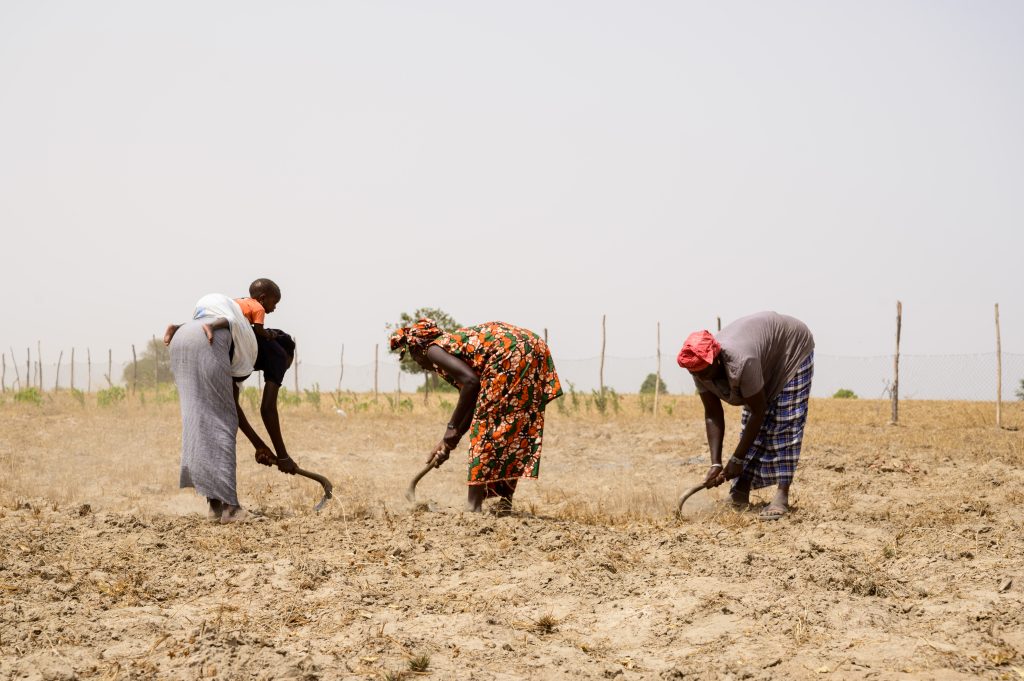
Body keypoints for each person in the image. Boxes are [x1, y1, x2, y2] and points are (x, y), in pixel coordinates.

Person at [389, 318, 563, 513]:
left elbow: (471, 383)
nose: (418, 364)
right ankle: (504, 505)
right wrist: (449, 441)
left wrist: (451, 428)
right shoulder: (452, 345)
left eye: (413, 356)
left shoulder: (433, 348)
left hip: (510, 353)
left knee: (485, 431)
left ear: (417, 349)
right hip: (533, 347)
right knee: (511, 429)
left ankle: (473, 507)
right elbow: (474, 400)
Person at [165, 293, 299, 524]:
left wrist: (260, 446)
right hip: (210, 339)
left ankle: (215, 506)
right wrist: (283, 456)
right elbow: (267, 410)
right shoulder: (279, 353)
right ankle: (230, 509)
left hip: (184, 335)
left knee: (202, 421)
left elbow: (232, 406)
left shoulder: (240, 350)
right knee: (220, 424)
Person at [677, 311, 814, 520]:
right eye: (694, 372)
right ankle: (741, 489)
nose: (700, 376)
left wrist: (737, 458)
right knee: (749, 426)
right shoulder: (699, 367)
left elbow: (759, 411)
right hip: (763, 357)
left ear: (717, 360)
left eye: (704, 371)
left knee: (785, 422)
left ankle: (781, 495)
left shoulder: (741, 361)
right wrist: (716, 463)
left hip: (790, 349)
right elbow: (712, 413)